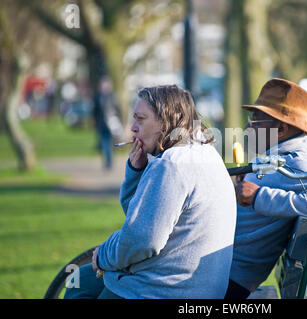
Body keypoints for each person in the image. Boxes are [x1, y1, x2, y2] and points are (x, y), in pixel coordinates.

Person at [65, 85, 236, 299]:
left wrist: (103, 254)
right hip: (191, 284)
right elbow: (140, 218)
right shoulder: (204, 153)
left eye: (140, 119)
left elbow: (142, 240)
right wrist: (136, 172)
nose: (133, 128)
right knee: (80, 280)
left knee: (80, 284)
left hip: (165, 290)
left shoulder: (172, 164)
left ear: (165, 121)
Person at [225, 78, 307, 299]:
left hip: (229, 277)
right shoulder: (278, 154)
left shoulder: (299, 161)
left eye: (255, 120)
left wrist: (258, 196)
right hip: (223, 267)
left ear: (280, 128)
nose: (248, 127)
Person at [93, 77, 123, 170]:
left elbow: (118, 110)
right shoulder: (98, 97)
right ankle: (107, 161)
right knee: (104, 143)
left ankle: (109, 161)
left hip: (111, 124)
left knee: (108, 143)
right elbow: (95, 111)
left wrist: (119, 121)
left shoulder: (112, 96)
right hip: (102, 124)